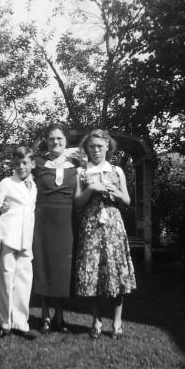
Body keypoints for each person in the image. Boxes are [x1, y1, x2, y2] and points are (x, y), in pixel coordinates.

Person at [74, 129, 136, 339]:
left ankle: (117, 321)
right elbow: (77, 203)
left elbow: (127, 201)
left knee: (115, 273)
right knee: (93, 274)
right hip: (91, 228)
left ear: (108, 147)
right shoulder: (81, 172)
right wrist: (91, 188)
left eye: (100, 146)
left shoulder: (117, 170)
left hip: (113, 228)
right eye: (92, 146)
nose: (96, 150)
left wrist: (113, 191)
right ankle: (96, 320)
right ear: (86, 149)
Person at [0, 146, 37, 339]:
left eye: (25, 163)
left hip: (26, 241)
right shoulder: (6, 183)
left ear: (33, 164)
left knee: (24, 282)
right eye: (17, 163)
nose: (21, 166)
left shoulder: (34, 186)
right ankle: (4, 323)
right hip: (7, 238)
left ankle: (20, 323)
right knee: (6, 280)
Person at [33, 123, 77, 334]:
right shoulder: (38, 163)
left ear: (66, 141)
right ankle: (45, 316)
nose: (56, 142)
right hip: (42, 222)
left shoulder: (76, 165)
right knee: (42, 266)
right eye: (51, 139)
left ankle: (60, 316)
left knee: (61, 269)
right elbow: (22, 183)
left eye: (59, 139)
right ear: (46, 141)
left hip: (65, 223)